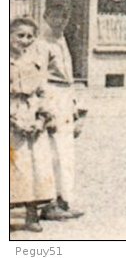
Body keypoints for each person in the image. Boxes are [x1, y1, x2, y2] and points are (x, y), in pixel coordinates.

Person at [38, 0, 84, 221]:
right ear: (46, 16)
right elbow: (39, 78)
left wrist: (75, 106)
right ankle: (50, 202)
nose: (60, 21)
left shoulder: (62, 40)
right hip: (51, 97)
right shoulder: (41, 43)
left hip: (65, 97)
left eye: (64, 16)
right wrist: (45, 107)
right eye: (55, 15)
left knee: (65, 151)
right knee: (51, 152)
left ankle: (64, 199)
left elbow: (69, 77)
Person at [10, 17, 56, 233]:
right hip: (11, 119)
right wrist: (14, 120)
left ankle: (32, 215)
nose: (25, 40)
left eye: (30, 36)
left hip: (33, 115)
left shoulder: (36, 62)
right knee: (14, 166)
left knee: (37, 166)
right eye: (20, 35)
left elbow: (42, 92)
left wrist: (41, 118)